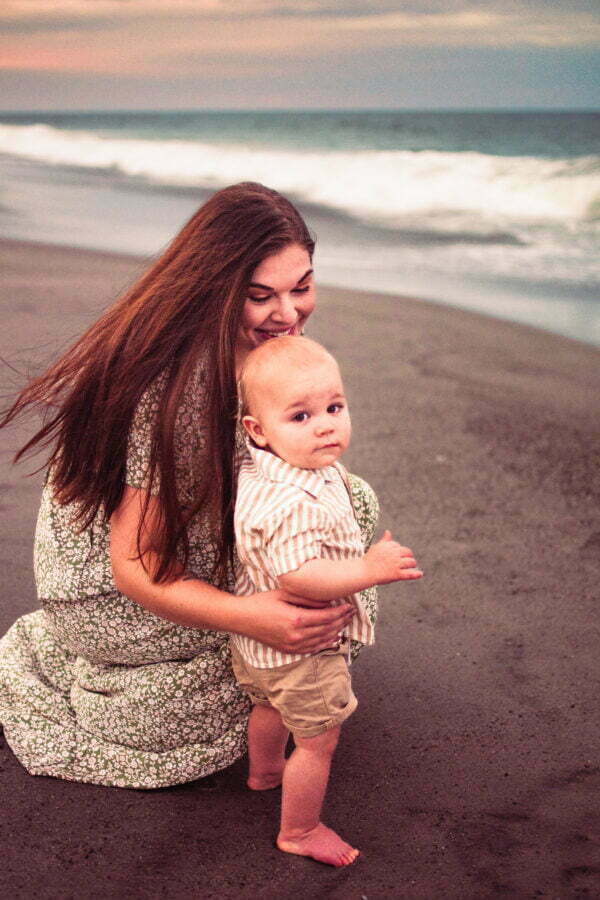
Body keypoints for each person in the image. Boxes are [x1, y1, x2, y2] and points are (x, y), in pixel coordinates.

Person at [0, 182, 379, 789]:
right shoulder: (173, 389)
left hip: (189, 541)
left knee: (345, 512)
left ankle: (259, 663)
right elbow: (132, 565)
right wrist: (251, 618)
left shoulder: (268, 351)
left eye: (301, 287)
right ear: (216, 289)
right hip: (112, 598)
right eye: (260, 297)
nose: (288, 314)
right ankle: (121, 685)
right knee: (293, 639)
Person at [233, 335, 423, 866]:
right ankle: (300, 828)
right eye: (300, 416)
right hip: (304, 648)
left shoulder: (265, 468)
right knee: (318, 741)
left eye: (334, 407)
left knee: (266, 704)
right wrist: (368, 569)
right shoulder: (296, 500)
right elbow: (297, 576)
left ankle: (264, 771)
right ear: (258, 430)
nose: (325, 424)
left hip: (257, 643)